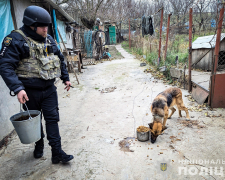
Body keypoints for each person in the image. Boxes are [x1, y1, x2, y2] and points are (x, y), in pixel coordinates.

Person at [0, 5, 74, 164]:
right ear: (31, 25)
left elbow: (60, 59)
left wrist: (65, 78)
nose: (46, 29)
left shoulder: (49, 39)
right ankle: (39, 144)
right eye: (42, 26)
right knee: (35, 122)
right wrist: (17, 88)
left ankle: (57, 152)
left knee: (52, 119)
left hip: (49, 89)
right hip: (29, 91)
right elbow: (5, 65)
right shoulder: (16, 40)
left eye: (47, 25)